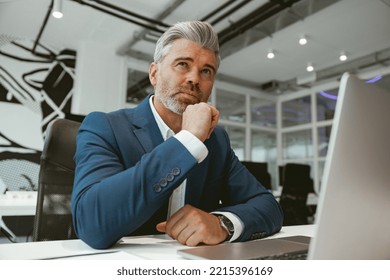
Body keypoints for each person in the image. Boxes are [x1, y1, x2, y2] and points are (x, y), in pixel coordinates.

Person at [71, 21, 283, 249]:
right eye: (183, 64)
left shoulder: (217, 140)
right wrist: (188, 140)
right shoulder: (104, 126)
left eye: (206, 71)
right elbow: (91, 223)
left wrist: (222, 224)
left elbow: (268, 206)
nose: (194, 78)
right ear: (154, 74)